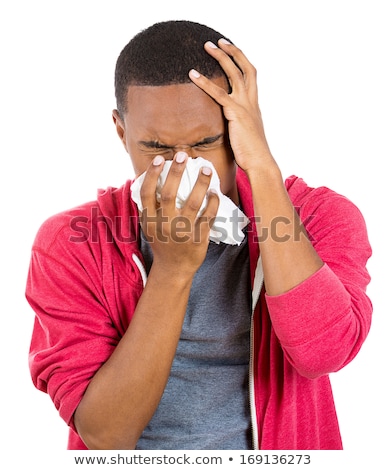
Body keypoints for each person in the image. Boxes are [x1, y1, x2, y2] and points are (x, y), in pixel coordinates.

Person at [26, 20, 372, 450]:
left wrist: (262, 169)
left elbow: (324, 353)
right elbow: (104, 435)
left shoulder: (321, 216)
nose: (184, 168)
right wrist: (172, 271)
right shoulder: (70, 243)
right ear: (121, 133)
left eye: (207, 142)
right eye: (156, 148)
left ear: (239, 130)